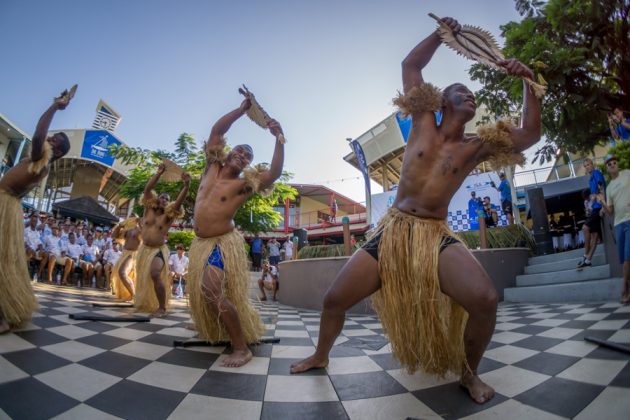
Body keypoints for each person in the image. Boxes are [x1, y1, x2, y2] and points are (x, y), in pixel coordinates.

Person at [290, 17, 541, 405]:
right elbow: (411, 66)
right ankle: (321, 355)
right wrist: (442, 35)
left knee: (485, 299)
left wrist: (528, 82)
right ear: (442, 101)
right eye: (461, 91)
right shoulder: (423, 120)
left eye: (473, 94)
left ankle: (469, 374)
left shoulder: (478, 145)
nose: (469, 95)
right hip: (393, 232)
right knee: (334, 300)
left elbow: (529, 134)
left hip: (435, 236)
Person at [187, 98, 284, 367]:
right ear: (230, 152)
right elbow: (217, 131)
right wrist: (242, 111)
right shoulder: (211, 166)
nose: (242, 156)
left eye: (248, 157)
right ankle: (216, 329)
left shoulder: (243, 185)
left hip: (221, 243)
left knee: (210, 289)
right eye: (240, 151)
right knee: (204, 292)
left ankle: (242, 349)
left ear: (247, 166)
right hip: (200, 243)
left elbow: (274, 173)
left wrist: (278, 137)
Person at [0, 88, 74, 333]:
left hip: (5, 205)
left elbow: (37, 135)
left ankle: (2, 316)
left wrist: (55, 107)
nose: (49, 139)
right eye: (52, 138)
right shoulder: (39, 161)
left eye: (55, 142)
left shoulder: (41, 160)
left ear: (59, 152)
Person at [135, 167, 190, 317]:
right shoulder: (148, 208)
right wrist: (159, 173)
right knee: (144, 277)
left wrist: (186, 186)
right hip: (144, 249)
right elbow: (148, 189)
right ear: (157, 199)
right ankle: (145, 302)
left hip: (158, 250)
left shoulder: (169, 215)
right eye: (162, 197)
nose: (164, 200)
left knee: (154, 273)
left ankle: (162, 308)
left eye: (167, 199)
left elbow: (179, 202)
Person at [597, 155, 630, 303]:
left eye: (614, 162)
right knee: (624, 259)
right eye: (609, 164)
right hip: (618, 223)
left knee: (628, 256)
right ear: (607, 168)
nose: (612, 165)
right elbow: (610, 211)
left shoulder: (627, 174)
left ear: (618, 164)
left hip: (629, 221)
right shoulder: (609, 187)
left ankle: (623, 290)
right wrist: (602, 202)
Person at [578, 158, 606, 268]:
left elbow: (601, 187)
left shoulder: (596, 173)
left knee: (585, 228)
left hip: (599, 207)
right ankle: (588, 260)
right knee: (594, 235)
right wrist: (592, 196)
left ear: (592, 164)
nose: (587, 167)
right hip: (595, 206)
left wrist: (603, 206)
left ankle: (585, 255)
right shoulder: (590, 179)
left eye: (588, 164)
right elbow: (595, 192)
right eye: (585, 166)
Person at [111, 217, 142, 302]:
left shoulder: (140, 229)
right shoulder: (127, 229)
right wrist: (119, 226)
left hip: (134, 254)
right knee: (119, 273)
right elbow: (114, 236)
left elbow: (145, 238)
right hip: (125, 253)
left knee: (122, 272)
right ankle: (132, 295)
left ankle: (134, 296)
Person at [24, 213, 48, 281]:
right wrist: (31, 249)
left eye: (36, 222)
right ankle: (25, 273)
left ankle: (38, 273)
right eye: (33, 221)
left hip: (35, 251)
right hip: (27, 250)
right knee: (29, 251)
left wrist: (41, 249)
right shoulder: (26, 230)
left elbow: (39, 243)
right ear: (30, 221)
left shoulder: (37, 232)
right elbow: (24, 243)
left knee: (45, 254)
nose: (35, 223)